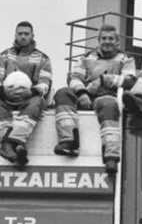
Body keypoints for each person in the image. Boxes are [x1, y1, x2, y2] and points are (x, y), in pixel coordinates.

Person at [53, 23, 135, 175]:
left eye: (111, 38)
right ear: (98, 40)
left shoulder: (126, 58)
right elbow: (74, 77)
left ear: (117, 41)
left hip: (107, 96)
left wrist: (104, 80)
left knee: (109, 105)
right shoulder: (86, 58)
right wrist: (82, 93)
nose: (107, 41)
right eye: (104, 38)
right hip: (86, 96)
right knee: (62, 93)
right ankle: (68, 140)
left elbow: (130, 80)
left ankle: (111, 157)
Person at [0, 21, 53, 166]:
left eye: (26, 34)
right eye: (20, 33)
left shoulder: (43, 58)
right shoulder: (4, 55)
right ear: (15, 35)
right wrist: (1, 91)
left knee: (37, 103)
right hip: (6, 98)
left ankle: (8, 145)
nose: (23, 36)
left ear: (32, 36)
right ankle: (16, 146)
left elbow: (45, 82)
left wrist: (31, 92)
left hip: (29, 98)